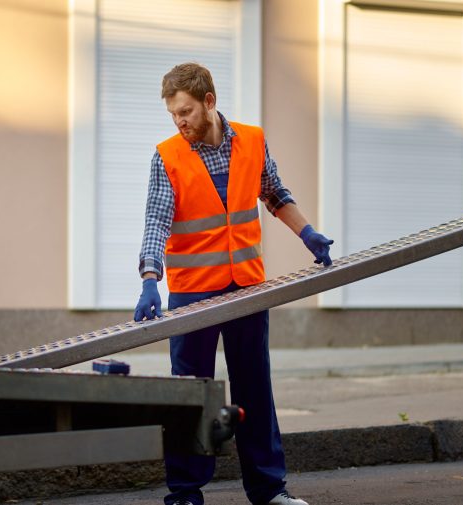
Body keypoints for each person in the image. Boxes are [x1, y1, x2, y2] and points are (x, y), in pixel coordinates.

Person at [133, 62, 333, 505]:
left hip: (246, 287)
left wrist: (308, 234)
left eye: (185, 111)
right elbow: (156, 222)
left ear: (209, 102)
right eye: (172, 115)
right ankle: (185, 493)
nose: (179, 121)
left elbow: (275, 193)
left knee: (255, 388)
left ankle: (269, 490)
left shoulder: (253, 141)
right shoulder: (167, 156)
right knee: (190, 394)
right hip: (192, 292)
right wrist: (151, 279)